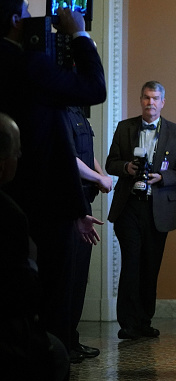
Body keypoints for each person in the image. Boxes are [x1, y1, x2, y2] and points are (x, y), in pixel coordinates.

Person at [0, 0, 106, 358]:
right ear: (16, 21)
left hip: (10, 198)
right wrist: (78, 32)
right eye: (27, 14)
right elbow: (94, 88)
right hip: (44, 207)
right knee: (52, 312)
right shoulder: (30, 66)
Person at [106, 81, 176, 341]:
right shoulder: (124, 128)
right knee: (131, 263)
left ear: (163, 102)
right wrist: (126, 169)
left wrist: (162, 177)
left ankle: (144, 321)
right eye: (146, 97)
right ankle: (127, 324)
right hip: (129, 207)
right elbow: (111, 163)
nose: (150, 103)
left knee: (150, 266)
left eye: (155, 98)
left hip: (158, 210)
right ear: (140, 100)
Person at [0, 113, 70, 381]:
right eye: (17, 151)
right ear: (3, 163)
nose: (20, 157)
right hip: (8, 335)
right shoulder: (9, 214)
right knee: (55, 354)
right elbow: (22, 292)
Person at [68, 106, 113, 362]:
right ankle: (62, 342)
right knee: (68, 278)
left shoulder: (79, 112)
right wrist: (97, 177)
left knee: (78, 278)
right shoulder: (59, 112)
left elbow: (87, 154)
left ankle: (71, 340)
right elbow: (68, 157)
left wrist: (100, 176)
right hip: (71, 203)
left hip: (85, 199)